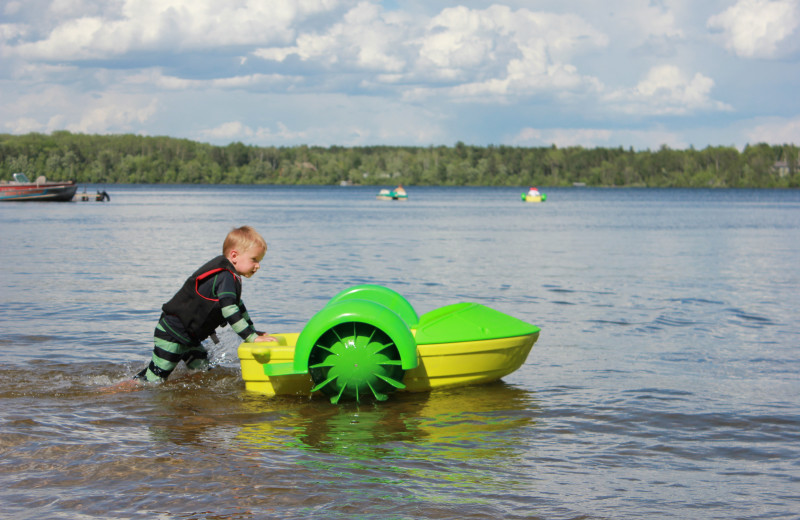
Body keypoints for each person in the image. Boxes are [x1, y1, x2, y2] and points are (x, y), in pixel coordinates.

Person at [134, 225, 276, 383]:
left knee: (202, 373)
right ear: (234, 255)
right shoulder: (225, 276)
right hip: (172, 335)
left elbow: (238, 306)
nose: (258, 266)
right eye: (254, 259)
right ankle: (115, 391)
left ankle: (187, 397)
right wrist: (251, 337)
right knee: (152, 381)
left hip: (189, 339)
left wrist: (253, 332)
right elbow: (230, 310)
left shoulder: (229, 277)